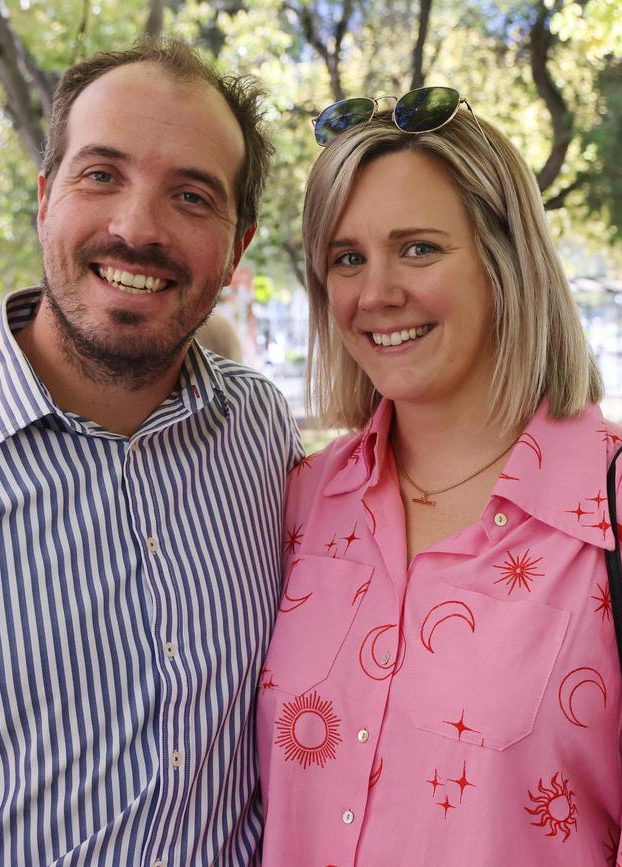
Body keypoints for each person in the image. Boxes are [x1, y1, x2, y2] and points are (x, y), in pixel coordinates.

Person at [256, 87, 621, 866]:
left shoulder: (609, 510)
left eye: (418, 247)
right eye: (347, 258)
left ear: (504, 262)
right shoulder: (300, 500)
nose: (376, 293)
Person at [0, 38, 302, 866]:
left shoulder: (262, 433)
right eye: (100, 175)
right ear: (47, 197)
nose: (135, 228)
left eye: (191, 196)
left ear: (237, 246)